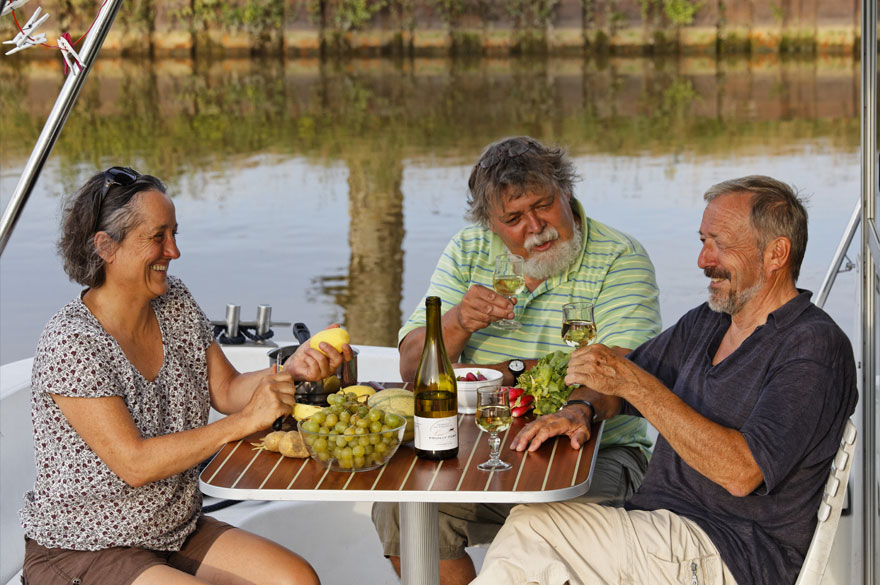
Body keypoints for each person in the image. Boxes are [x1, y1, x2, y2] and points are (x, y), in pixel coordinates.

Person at [471, 175, 858, 585]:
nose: (703, 260)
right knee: (530, 523)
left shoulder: (813, 347)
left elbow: (741, 472)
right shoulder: (709, 322)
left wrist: (634, 385)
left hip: (731, 554)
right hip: (660, 528)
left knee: (531, 534)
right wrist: (580, 409)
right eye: (701, 241)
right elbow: (614, 382)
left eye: (719, 244)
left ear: (776, 253)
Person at [19, 167, 351, 585]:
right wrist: (244, 423)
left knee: (296, 580)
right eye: (158, 237)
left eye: (174, 234)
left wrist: (291, 370)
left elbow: (228, 390)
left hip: (173, 531)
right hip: (84, 546)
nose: (173, 251)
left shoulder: (174, 300)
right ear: (106, 246)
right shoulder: (72, 341)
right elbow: (134, 464)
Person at [372, 136, 663, 584]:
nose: (535, 226)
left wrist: (548, 393)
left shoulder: (619, 257)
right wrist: (457, 323)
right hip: (482, 446)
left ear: (566, 192)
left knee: (548, 528)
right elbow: (412, 368)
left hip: (597, 451)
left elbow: (623, 372)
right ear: (490, 224)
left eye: (543, 205)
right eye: (513, 218)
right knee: (401, 508)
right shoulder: (469, 250)